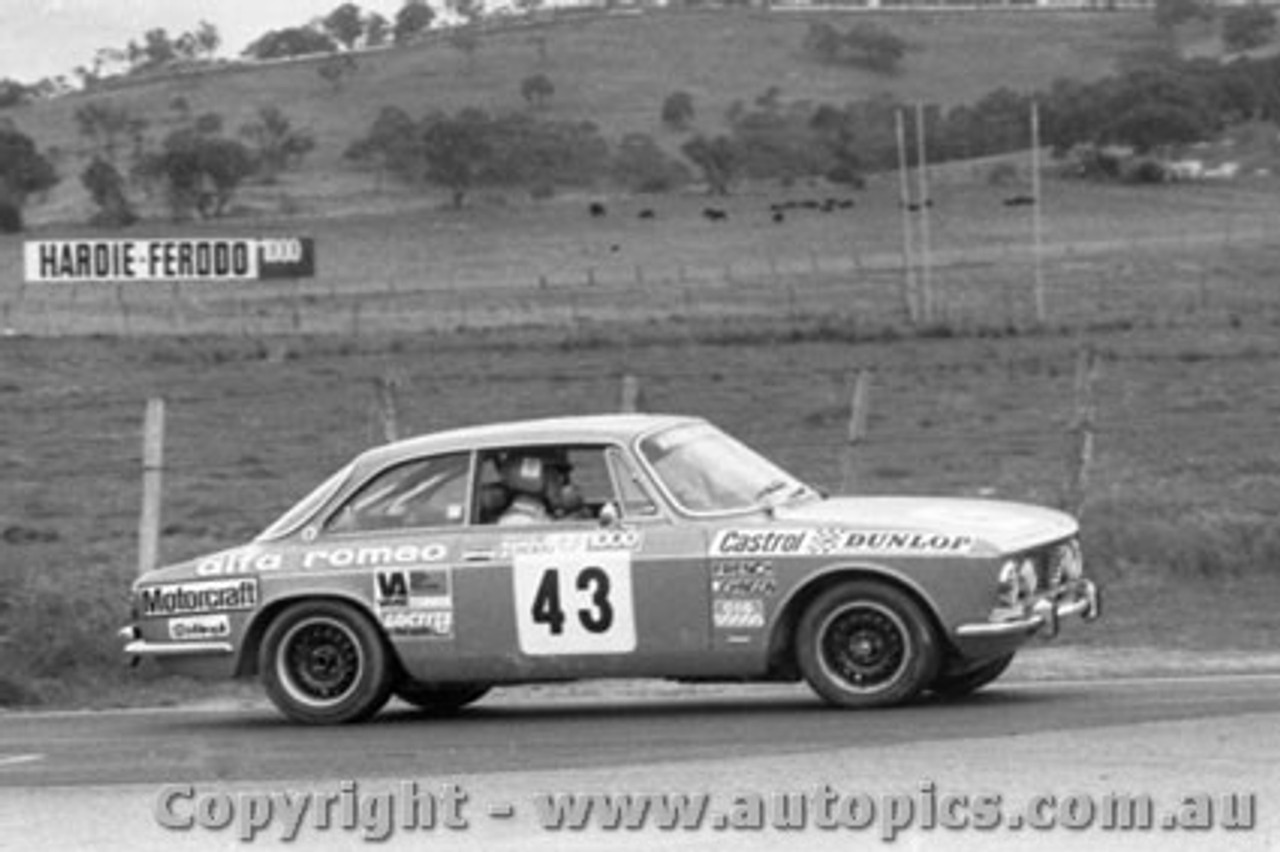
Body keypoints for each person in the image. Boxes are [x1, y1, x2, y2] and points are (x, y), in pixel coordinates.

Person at [496, 451, 584, 525]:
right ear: (533, 477)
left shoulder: (536, 511)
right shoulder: (516, 520)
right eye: (556, 473)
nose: (562, 480)